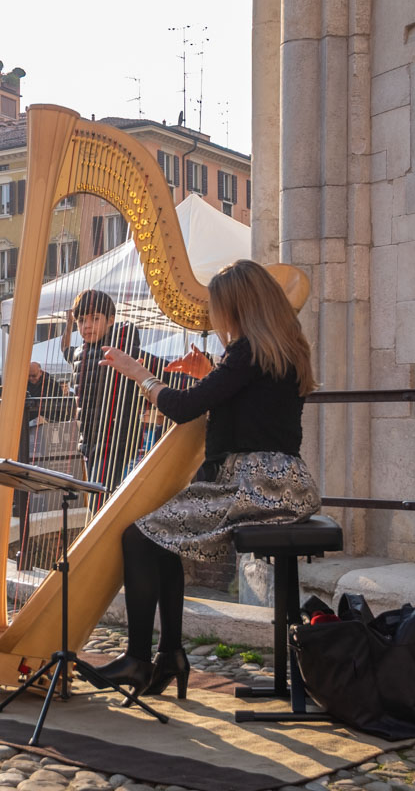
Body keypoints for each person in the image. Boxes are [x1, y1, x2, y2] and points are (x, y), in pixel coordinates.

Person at [88, 259, 320, 697]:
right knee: (163, 538)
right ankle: (170, 654)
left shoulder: (247, 351)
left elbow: (181, 408)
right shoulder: (280, 347)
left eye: (218, 308)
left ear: (237, 307)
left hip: (255, 484)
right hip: (283, 481)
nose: (215, 317)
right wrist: (208, 375)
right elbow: (245, 403)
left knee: (139, 538)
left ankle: (141, 659)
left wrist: (139, 374)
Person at [62, 289, 160, 497]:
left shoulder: (124, 352)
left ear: (111, 320)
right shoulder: (80, 354)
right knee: (100, 499)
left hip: (117, 441)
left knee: (100, 501)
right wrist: (68, 324)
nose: (87, 325)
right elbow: (65, 351)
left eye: (95, 318)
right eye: (81, 320)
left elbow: (161, 370)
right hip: (90, 440)